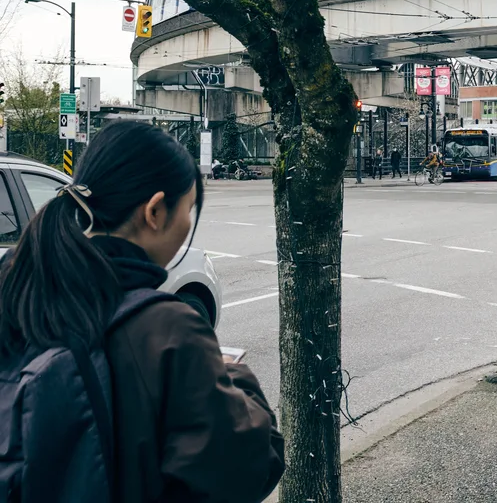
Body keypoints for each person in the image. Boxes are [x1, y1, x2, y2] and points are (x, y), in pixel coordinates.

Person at [0, 121, 284, 502]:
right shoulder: (168, 330)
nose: (187, 225)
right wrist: (236, 377)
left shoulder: (17, 289)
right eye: (188, 209)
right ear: (154, 211)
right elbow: (248, 469)